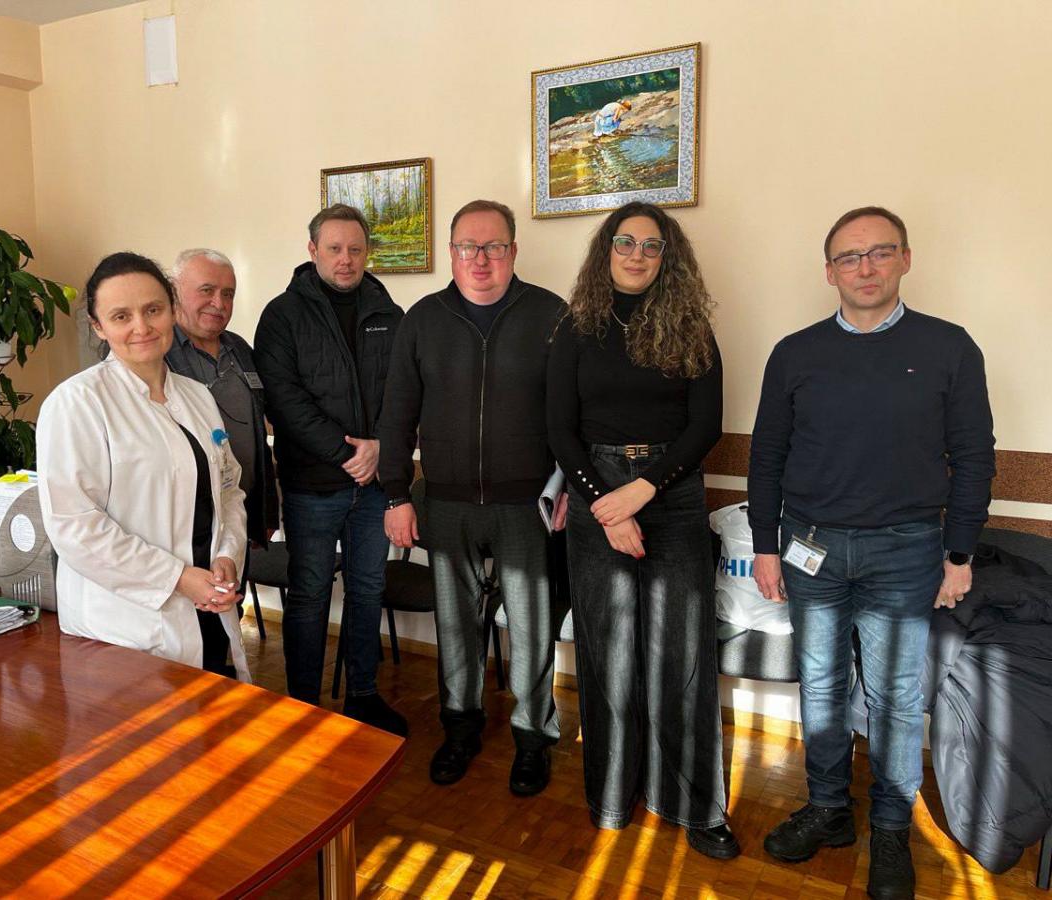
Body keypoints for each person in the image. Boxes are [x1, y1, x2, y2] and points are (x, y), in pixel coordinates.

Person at [749, 207, 995, 900]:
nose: (866, 268)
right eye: (849, 257)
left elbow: (974, 456)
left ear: (905, 260)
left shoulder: (949, 347)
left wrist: (959, 553)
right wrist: (765, 546)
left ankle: (890, 828)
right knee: (821, 688)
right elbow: (766, 456)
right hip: (812, 548)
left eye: (880, 253)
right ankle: (829, 809)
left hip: (906, 551)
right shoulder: (794, 353)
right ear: (829, 272)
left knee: (895, 698)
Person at [545, 200, 736, 857]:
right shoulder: (576, 328)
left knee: (682, 653)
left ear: (666, 258)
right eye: (625, 242)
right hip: (595, 490)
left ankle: (694, 806)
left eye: (651, 246)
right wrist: (606, 504)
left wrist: (644, 490)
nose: (636, 255)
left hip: (672, 494)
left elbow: (706, 424)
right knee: (608, 652)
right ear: (607, 250)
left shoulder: (690, 327)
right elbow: (559, 429)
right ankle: (612, 794)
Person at [378, 199, 562, 796]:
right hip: (448, 502)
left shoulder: (551, 314)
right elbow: (396, 414)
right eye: (467, 247)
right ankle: (460, 728)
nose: (480, 259)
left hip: (527, 505)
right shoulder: (423, 320)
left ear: (513, 250)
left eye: (494, 247)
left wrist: (568, 489)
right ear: (451, 252)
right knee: (456, 627)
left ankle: (532, 739)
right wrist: (396, 495)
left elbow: (572, 415)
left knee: (531, 629)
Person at [37, 252, 250, 679]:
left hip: (207, 603)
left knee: (209, 715)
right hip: (127, 624)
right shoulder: (77, 403)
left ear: (172, 310)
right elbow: (76, 527)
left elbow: (228, 490)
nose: (142, 327)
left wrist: (228, 554)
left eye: (153, 310)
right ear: (98, 326)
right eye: (121, 316)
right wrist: (178, 578)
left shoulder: (197, 396)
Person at [253, 204, 407, 737]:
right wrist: (349, 455)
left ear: (367, 253)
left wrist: (380, 448)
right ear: (313, 250)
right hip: (312, 487)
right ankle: (304, 705)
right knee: (311, 593)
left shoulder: (388, 311)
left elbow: (404, 392)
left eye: (356, 250)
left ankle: (362, 695)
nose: (346, 260)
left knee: (367, 590)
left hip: (373, 487)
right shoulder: (282, 315)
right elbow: (285, 401)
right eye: (335, 249)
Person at [165, 247, 279, 595]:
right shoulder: (160, 355)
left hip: (237, 514)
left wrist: (264, 512)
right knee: (194, 616)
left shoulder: (240, 349)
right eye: (207, 290)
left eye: (228, 294)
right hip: (186, 524)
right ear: (174, 291)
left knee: (230, 606)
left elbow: (258, 433)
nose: (219, 302)